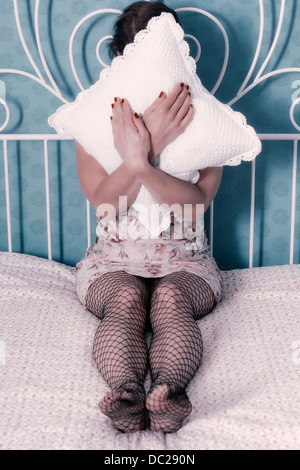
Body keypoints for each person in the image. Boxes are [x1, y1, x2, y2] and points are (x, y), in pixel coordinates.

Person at [74, 1, 224, 434]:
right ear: (120, 60)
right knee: (125, 301)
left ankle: (169, 395)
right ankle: (125, 394)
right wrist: (140, 147)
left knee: (169, 300)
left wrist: (144, 164)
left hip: (187, 264)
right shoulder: (95, 119)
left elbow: (194, 207)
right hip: (112, 263)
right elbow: (106, 205)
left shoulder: (208, 118)